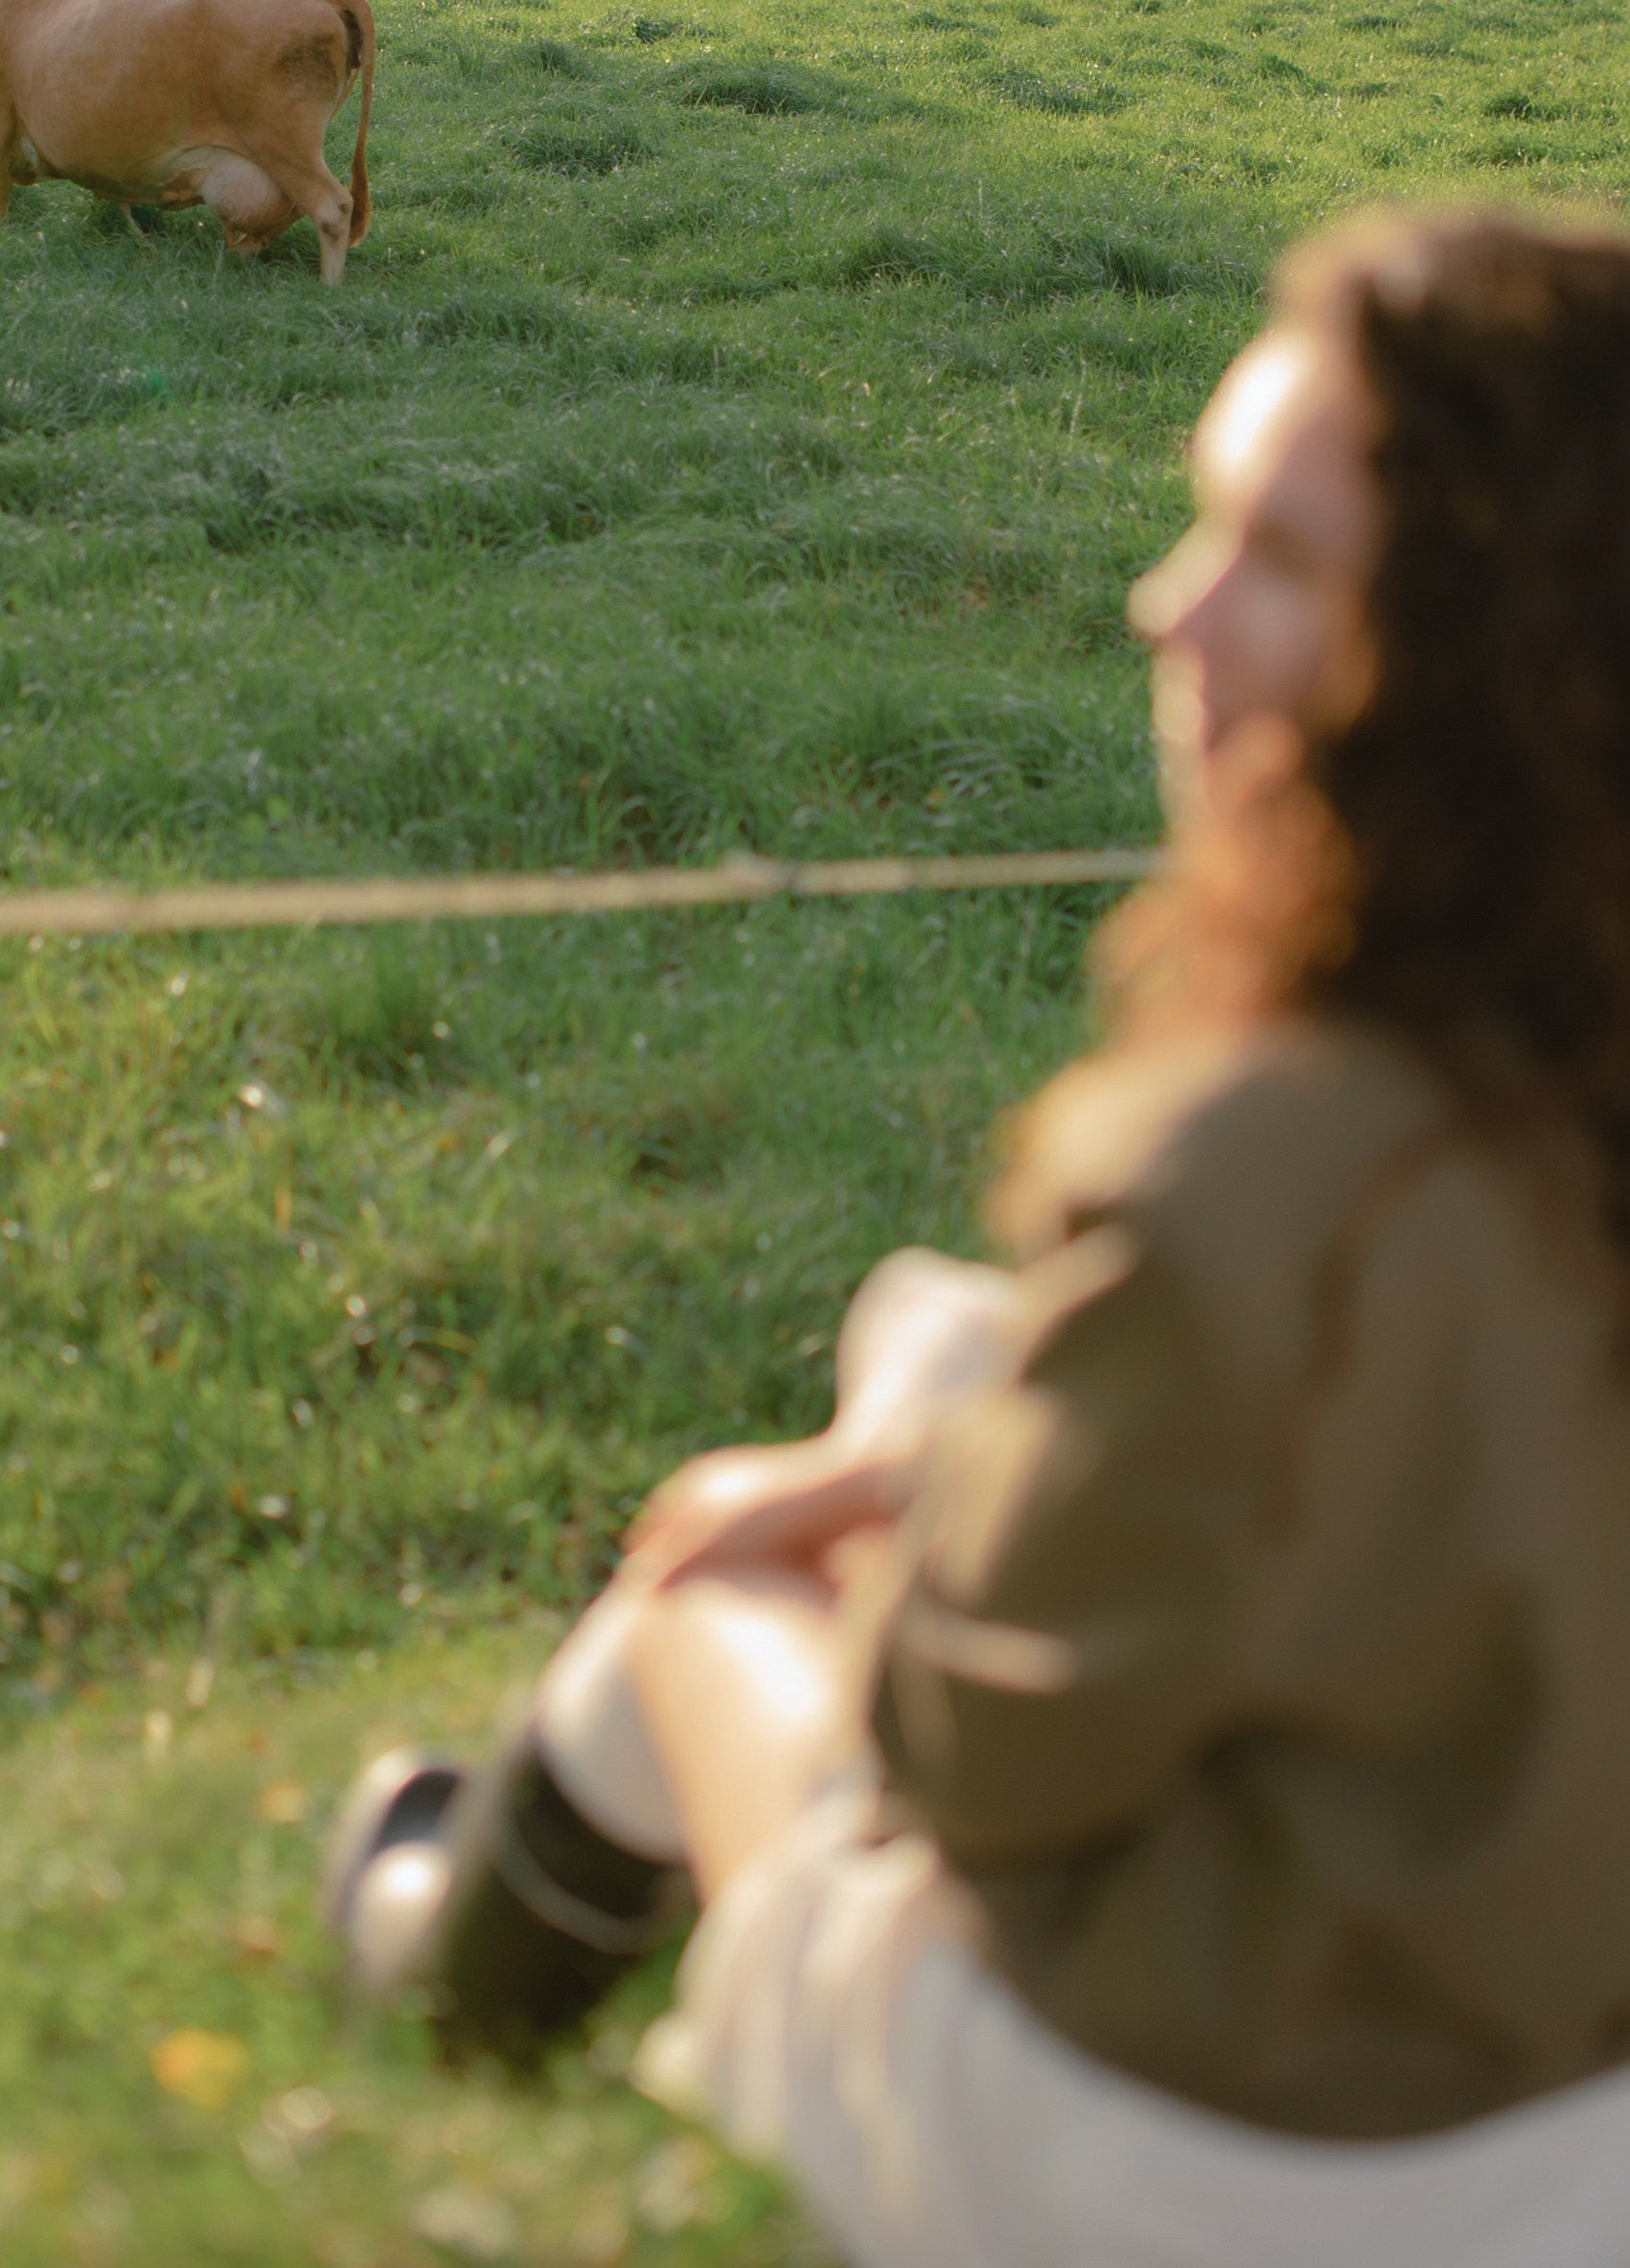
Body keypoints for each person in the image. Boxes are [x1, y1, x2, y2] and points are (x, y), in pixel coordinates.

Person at [328, 207, 1630, 2267]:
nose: (1165, 604)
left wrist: (826, 1526)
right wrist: (927, 1448)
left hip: (1234, 2169)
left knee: (695, 1598)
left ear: (1502, 644)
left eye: (1278, 561)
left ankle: (443, 1960)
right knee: (941, 1344)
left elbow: (985, 1761)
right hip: (1586, 2133)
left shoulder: (1263, 1163)